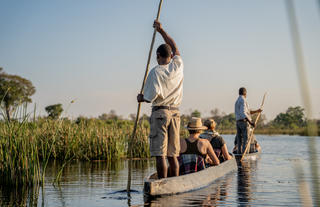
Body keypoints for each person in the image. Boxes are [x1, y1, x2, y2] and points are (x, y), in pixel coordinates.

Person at [137, 20, 183, 179]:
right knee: (172, 155)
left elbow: (150, 98)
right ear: (171, 56)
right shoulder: (178, 65)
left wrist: (141, 98)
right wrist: (161, 31)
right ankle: (175, 183)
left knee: (160, 154)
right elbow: (175, 46)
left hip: (161, 114)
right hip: (175, 114)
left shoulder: (155, 72)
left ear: (157, 56)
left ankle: (162, 185)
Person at [234, 87, 262, 154]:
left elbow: (248, 112)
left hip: (238, 122)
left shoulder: (237, 101)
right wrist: (250, 122)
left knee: (239, 141)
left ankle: (239, 154)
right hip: (244, 122)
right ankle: (245, 155)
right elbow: (243, 113)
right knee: (246, 140)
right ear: (245, 93)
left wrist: (257, 111)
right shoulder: (243, 100)